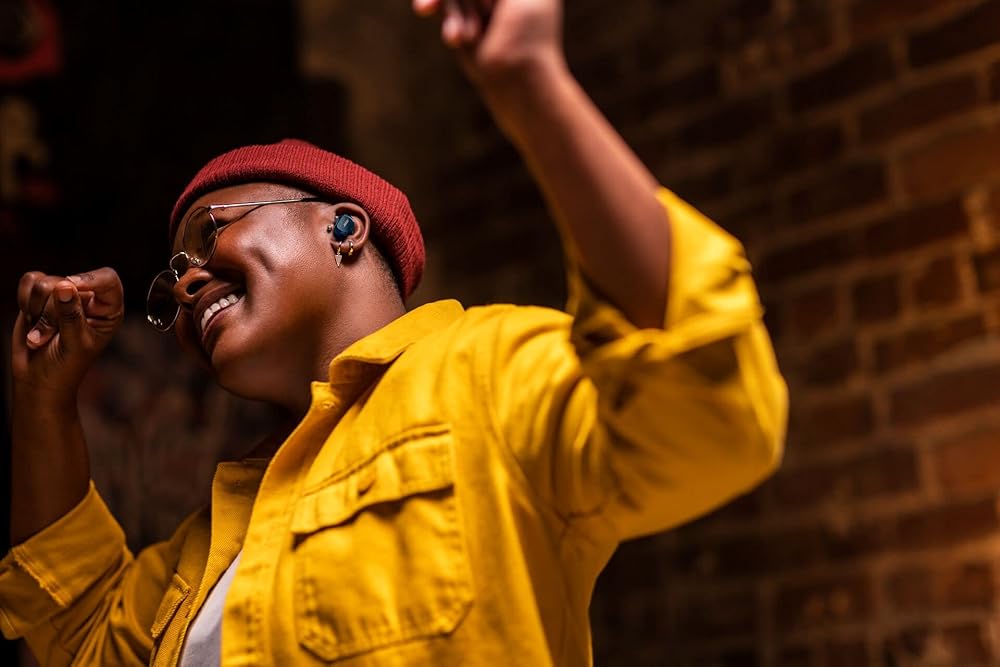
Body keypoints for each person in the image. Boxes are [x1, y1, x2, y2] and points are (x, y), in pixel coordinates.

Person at [0, 0, 787, 665]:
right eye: (173, 276)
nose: (186, 282)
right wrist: (43, 398)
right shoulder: (211, 537)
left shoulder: (483, 377)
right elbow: (80, 637)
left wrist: (530, 84)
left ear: (343, 226)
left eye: (210, 235)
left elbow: (699, 409)